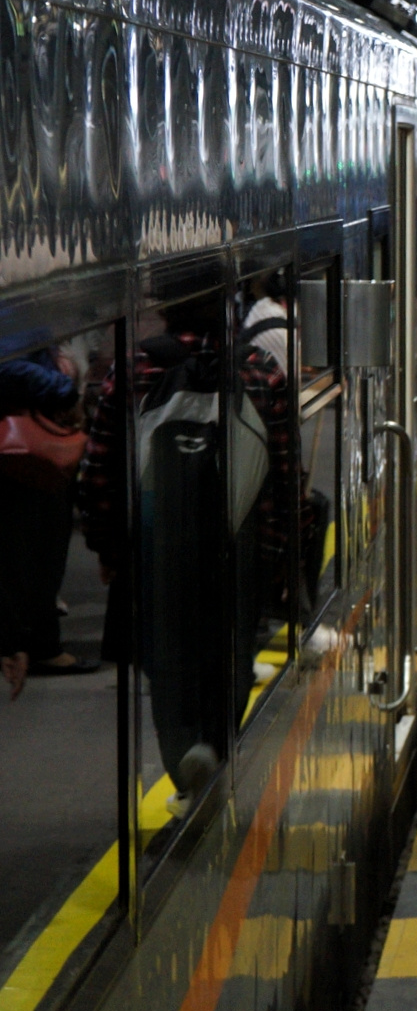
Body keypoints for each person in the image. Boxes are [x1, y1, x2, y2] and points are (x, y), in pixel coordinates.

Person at [77, 290, 296, 816]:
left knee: (168, 659)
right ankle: (213, 746)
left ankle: (185, 764)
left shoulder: (135, 369)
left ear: (167, 306)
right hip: (235, 541)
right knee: (230, 650)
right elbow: (283, 472)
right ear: (228, 303)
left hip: (159, 544)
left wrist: (109, 546)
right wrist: (277, 552)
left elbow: (100, 467)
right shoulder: (259, 369)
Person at [0, 349, 87, 682]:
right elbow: (10, 364)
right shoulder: (19, 331)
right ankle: (32, 644)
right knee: (33, 555)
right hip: (21, 457)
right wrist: (60, 386)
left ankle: (33, 642)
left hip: (24, 453)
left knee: (32, 555)